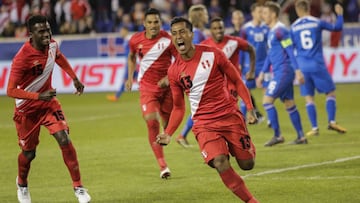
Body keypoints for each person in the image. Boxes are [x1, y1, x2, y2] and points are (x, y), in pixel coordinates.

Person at [157, 16, 259, 203]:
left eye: (182, 32)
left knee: (247, 164)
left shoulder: (213, 54)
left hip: (230, 117)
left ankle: (245, 148)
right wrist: (168, 133)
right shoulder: (173, 71)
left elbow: (236, 80)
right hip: (204, 124)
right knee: (220, 162)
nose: (178, 37)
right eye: (174, 34)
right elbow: (179, 107)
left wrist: (250, 108)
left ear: (191, 34)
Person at [7, 15, 91, 203]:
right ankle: (22, 183)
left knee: (64, 138)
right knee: (29, 153)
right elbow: (10, 90)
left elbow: (59, 57)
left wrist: (74, 78)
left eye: (48, 29)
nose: (47, 34)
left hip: (48, 104)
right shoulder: (22, 58)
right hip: (26, 110)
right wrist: (38, 96)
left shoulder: (52, 45)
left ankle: (78, 187)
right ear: (31, 34)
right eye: (41, 31)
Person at [125, 8, 176, 179]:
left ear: (161, 23)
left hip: (168, 89)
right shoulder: (135, 40)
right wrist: (130, 76)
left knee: (167, 125)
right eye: (150, 22)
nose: (153, 25)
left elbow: (180, 61)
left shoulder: (169, 40)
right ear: (144, 24)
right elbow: (131, 56)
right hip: (147, 88)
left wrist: (169, 78)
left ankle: (165, 135)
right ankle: (162, 165)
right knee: (151, 121)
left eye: (156, 22)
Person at [290, 0, 346, 136]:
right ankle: (332, 121)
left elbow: (290, 49)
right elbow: (337, 28)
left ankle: (314, 128)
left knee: (309, 98)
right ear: (308, 8)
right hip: (317, 64)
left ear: (298, 10)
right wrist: (340, 15)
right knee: (330, 93)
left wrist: (296, 69)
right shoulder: (317, 22)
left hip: (302, 66)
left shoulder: (293, 27)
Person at [256, 1, 307, 146]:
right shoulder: (272, 32)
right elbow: (270, 55)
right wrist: (262, 73)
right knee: (289, 104)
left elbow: (290, 50)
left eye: (265, 13)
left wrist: (297, 71)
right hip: (279, 71)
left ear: (273, 14)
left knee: (267, 101)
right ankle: (301, 137)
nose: (263, 16)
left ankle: (278, 135)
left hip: (284, 71)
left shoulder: (280, 31)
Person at [175, 4, 209, 148]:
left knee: (200, 107)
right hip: (196, 75)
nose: (207, 16)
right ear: (200, 17)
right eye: (205, 13)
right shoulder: (197, 34)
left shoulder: (195, 33)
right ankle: (184, 135)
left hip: (191, 74)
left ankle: (184, 135)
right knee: (201, 108)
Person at [201, 17, 256, 105]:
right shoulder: (204, 46)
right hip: (214, 85)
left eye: (220, 28)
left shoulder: (234, 41)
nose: (218, 30)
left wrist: (252, 71)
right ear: (210, 30)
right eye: (215, 28)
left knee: (229, 108)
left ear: (224, 28)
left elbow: (251, 49)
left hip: (232, 83)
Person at [240, 3, 270, 123]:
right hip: (249, 65)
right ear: (253, 13)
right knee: (244, 91)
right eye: (259, 12)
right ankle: (242, 119)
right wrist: (240, 63)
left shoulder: (266, 28)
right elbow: (242, 47)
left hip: (263, 65)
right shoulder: (246, 29)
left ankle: (270, 120)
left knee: (266, 91)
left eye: (262, 12)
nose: (261, 14)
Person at [106, 26, 138, 102]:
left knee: (125, 80)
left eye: (122, 31)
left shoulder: (129, 39)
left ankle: (116, 96)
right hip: (130, 62)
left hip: (130, 63)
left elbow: (134, 51)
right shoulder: (125, 40)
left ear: (126, 31)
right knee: (139, 79)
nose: (121, 33)